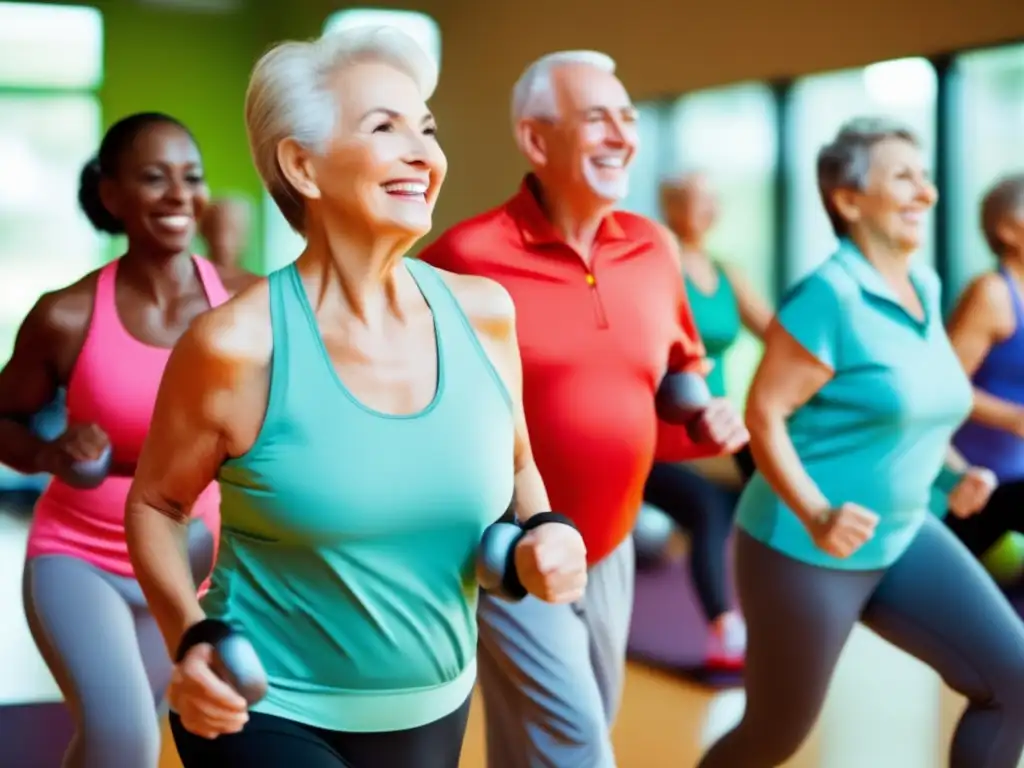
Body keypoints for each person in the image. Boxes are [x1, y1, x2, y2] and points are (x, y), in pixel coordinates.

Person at [123, 27, 587, 768]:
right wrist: (190, 639)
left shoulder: (485, 314)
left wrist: (546, 529)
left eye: (426, 130)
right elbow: (156, 505)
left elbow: (519, 469)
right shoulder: (235, 347)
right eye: (385, 127)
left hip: (432, 703)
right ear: (302, 166)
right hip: (265, 706)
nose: (424, 153)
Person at [420, 50, 748, 768]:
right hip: (509, 546)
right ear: (537, 141)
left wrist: (708, 417)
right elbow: (409, 396)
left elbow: (680, 368)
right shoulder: (465, 256)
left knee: (562, 728)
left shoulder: (653, 249)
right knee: (578, 747)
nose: (621, 135)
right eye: (597, 118)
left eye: (627, 119)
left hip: (612, 541)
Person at [698, 118, 1024, 768]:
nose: (926, 193)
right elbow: (763, 415)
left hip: (905, 533)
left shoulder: (925, 289)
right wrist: (818, 513)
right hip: (801, 547)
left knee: (1013, 682)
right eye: (904, 176)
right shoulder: (829, 296)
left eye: (926, 177)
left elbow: (922, 410)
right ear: (848, 201)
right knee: (772, 733)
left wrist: (954, 474)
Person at [0, 111, 252, 768]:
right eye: (153, 177)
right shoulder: (67, 313)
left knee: (127, 741)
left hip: (186, 567)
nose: (177, 194)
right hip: (79, 559)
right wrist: (50, 454)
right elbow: (4, 421)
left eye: (191, 178)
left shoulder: (245, 302)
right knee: (127, 741)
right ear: (110, 194)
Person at [642, 170, 774, 671]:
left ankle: (794, 605)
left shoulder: (726, 271)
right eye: (699, 200)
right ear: (669, 204)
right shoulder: (655, 263)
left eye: (715, 199)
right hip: (658, 429)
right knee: (707, 512)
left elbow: (774, 333)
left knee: (779, 491)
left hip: (716, 424)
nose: (710, 209)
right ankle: (725, 627)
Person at [942, 173, 1024, 558]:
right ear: (1008, 229)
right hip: (976, 483)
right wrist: (1013, 417)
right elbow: (942, 388)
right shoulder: (992, 293)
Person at [199, 196, 254, 292]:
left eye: (233, 231)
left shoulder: (256, 287)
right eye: (216, 229)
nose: (223, 240)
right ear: (203, 232)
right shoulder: (189, 283)